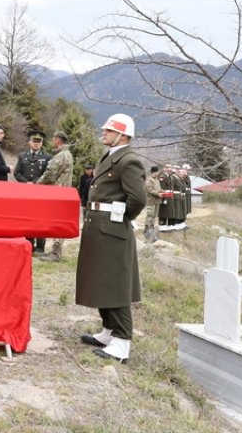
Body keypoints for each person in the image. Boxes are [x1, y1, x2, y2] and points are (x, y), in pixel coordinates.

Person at [77, 113, 145, 364]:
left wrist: (121, 217)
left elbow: (138, 199)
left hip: (112, 229)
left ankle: (122, 341)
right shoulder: (110, 156)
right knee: (101, 281)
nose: (104, 132)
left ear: (123, 135)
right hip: (99, 226)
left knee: (115, 286)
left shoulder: (129, 160)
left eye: (110, 130)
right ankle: (108, 331)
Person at [37, 131, 75, 261]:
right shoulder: (67, 154)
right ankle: (54, 250)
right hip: (62, 192)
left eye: (54, 139)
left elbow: (51, 173)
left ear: (58, 140)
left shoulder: (61, 155)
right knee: (58, 221)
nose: (53, 141)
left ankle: (56, 253)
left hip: (59, 193)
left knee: (58, 222)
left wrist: (38, 183)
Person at [15, 131, 52, 256]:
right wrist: (26, 183)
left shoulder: (47, 157)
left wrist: (35, 182)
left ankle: (40, 246)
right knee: (28, 218)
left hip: (41, 192)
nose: (36, 144)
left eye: (39, 142)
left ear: (42, 143)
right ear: (29, 142)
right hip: (26, 192)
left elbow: (47, 174)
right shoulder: (22, 156)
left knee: (41, 218)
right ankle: (29, 243)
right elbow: (17, 172)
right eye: (34, 141)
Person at [144, 165, 162, 243]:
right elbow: (150, 190)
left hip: (156, 201)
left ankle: (152, 234)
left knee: (154, 216)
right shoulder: (149, 180)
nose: (158, 173)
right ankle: (147, 232)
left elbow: (159, 189)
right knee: (149, 216)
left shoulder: (156, 180)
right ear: (154, 172)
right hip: (151, 201)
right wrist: (158, 194)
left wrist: (163, 191)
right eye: (157, 172)